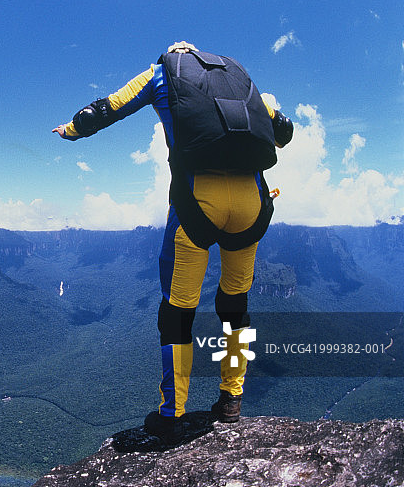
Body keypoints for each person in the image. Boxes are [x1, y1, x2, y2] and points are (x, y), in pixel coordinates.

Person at [52, 41, 294, 444]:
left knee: (178, 312)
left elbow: (107, 107)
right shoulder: (236, 77)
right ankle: (232, 400)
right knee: (236, 306)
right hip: (253, 204)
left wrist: (72, 130)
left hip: (198, 204)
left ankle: (173, 414)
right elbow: (283, 130)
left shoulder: (161, 72)